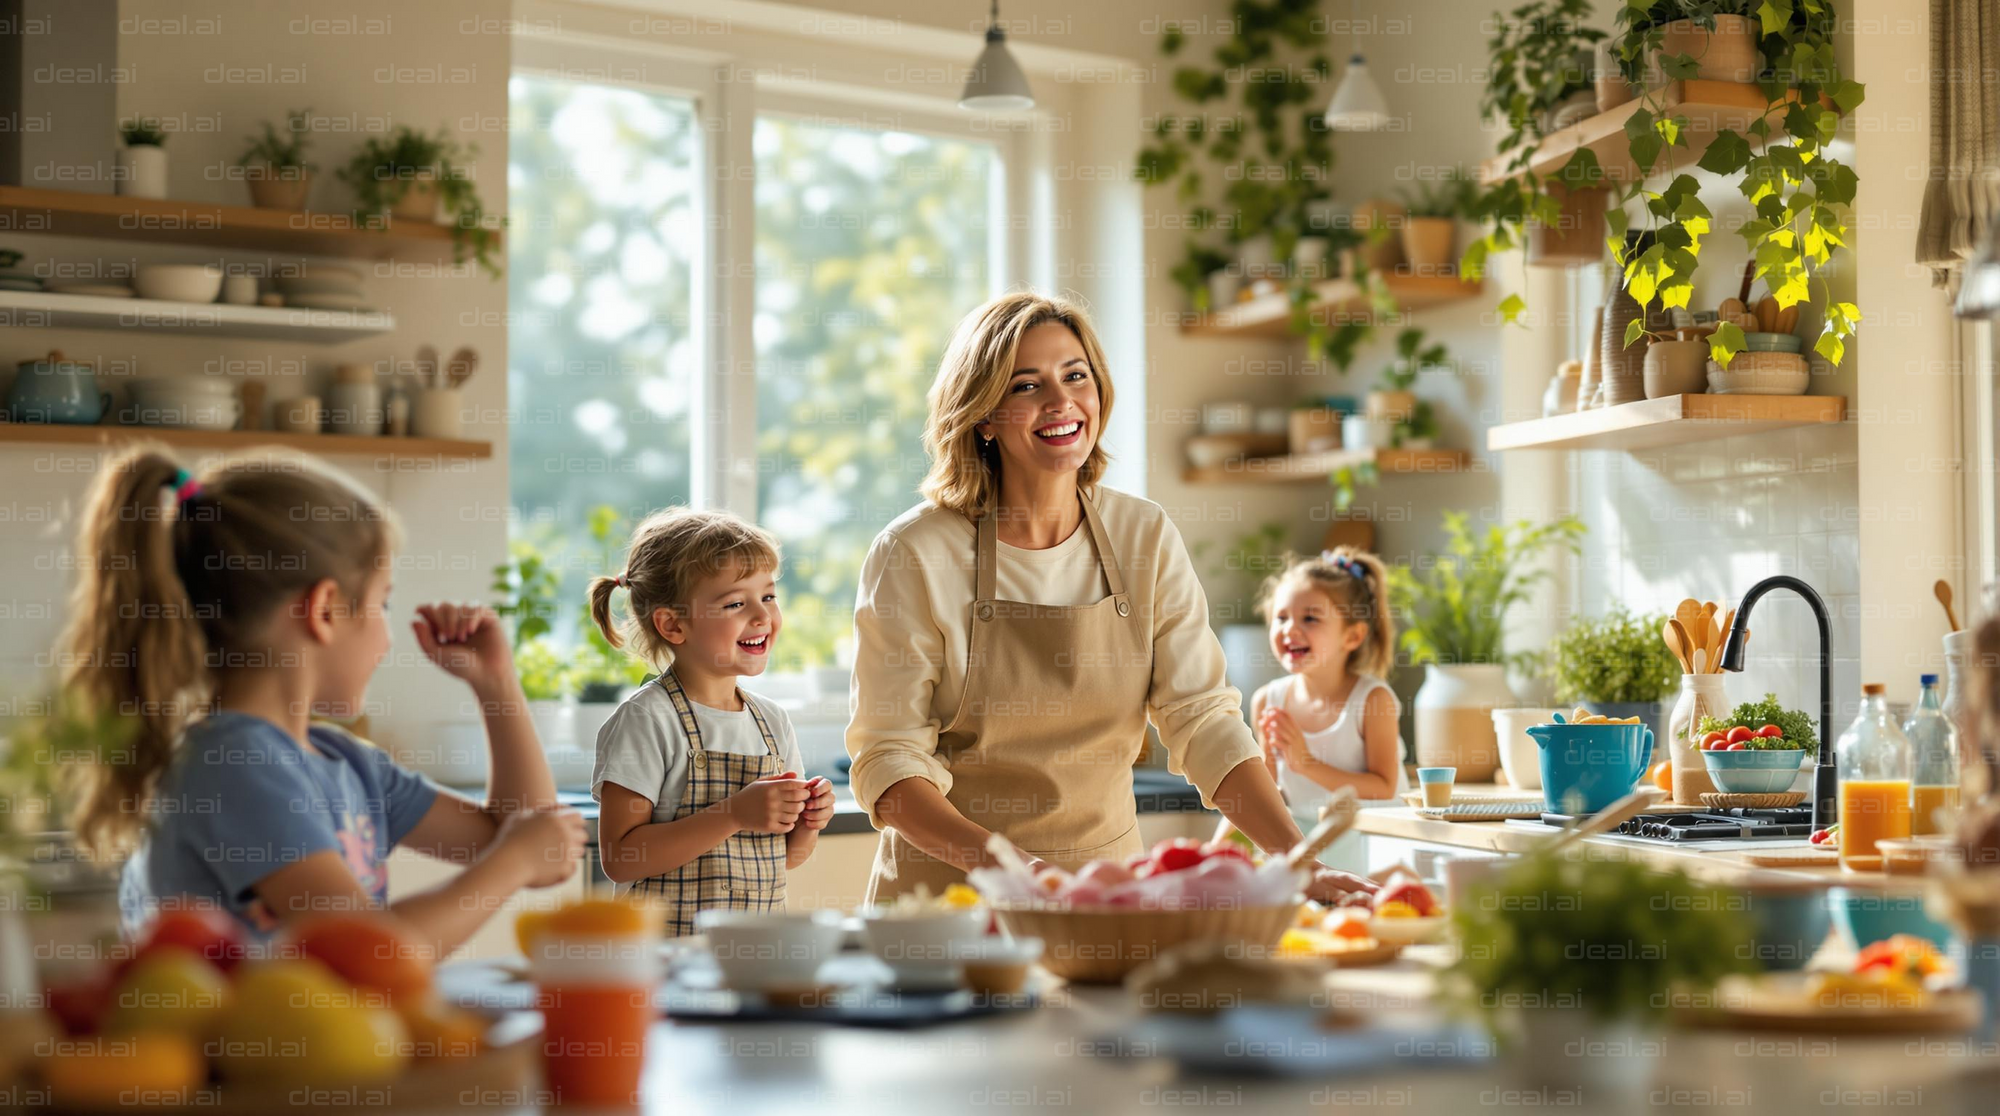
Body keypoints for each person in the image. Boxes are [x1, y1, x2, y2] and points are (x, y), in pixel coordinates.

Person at [846, 290, 1378, 903]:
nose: (1060, 401)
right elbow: (888, 763)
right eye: (1026, 386)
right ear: (983, 416)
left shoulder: (1142, 534)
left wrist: (1298, 862)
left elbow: (1201, 717)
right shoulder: (915, 552)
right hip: (948, 905)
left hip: (1109, 900)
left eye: (1076, 376)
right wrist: (1023, 875)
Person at [63, 446, 584, 955]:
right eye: (384, 602)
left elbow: (538, 840)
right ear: (325, 609)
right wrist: (514, 860)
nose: (388, 636)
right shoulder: (234, 763)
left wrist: (495, 686)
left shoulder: (346, 762)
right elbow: (367, 953)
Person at [587, 509, 835, 936]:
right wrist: (735, 813)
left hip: (752, 959)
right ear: (673, 624)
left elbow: (782, 857)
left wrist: (807, 824)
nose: (761, 616)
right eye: (736, 603)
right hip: (664, 962)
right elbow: (620, 858)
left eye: (769, 597)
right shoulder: (647, 720)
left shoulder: (772, 722)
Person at [1251, 548, 1408, 811]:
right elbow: (1264, 798)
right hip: (1307, 843)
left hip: (1373, 842)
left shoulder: (1373, 700)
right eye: (1281, 618)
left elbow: (1383, 788)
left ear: (1353, 637)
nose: (1289, 629)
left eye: (1310, 618)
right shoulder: (1267, 701)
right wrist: (1216, 847)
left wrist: (1306, 763)